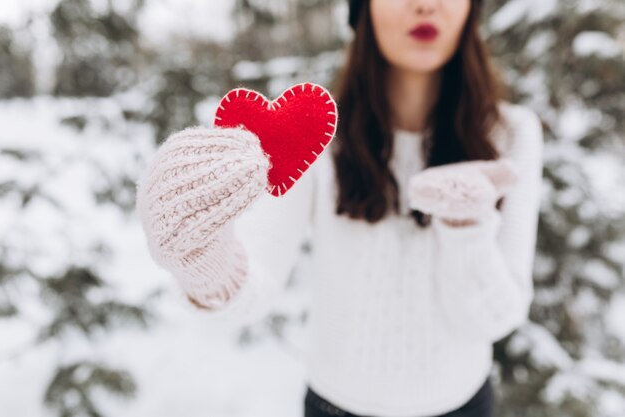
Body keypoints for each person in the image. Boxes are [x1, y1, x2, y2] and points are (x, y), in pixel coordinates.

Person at [135, 0, 544, 416]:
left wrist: (466, 226)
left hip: (463, 405)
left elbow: (498, 318)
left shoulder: (510, 135)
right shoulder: (315, 136)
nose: (426, 5)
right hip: (335, 407)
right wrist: (203, 260)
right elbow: (257, 278)